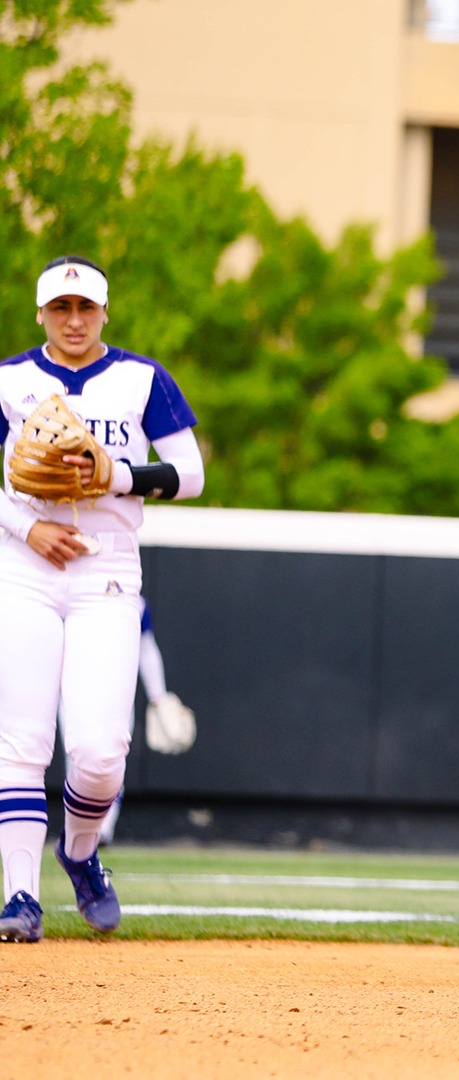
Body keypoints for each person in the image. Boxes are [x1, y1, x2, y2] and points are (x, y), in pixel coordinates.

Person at [0, 256, 204, 943]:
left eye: (85, 307)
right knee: (22, 741)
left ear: (105, 312)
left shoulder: (141, 380)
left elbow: (192, 474)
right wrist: (28, 525)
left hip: (108, 572)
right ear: (41, 315)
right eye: (61, 308)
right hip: (24, 569)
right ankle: (20, 898)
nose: (74, 319)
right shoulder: (10, 381)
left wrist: (116, 473)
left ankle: (81, 855)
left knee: (100, 751)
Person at [98, 597, 198, 846]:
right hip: (73, 690)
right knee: (78, 758)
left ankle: (103, 829)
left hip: (119, 692)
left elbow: (147, 648)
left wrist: (159, 697)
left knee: (112, 757)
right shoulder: (71, 587)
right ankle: (79, 827)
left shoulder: (135, 601)